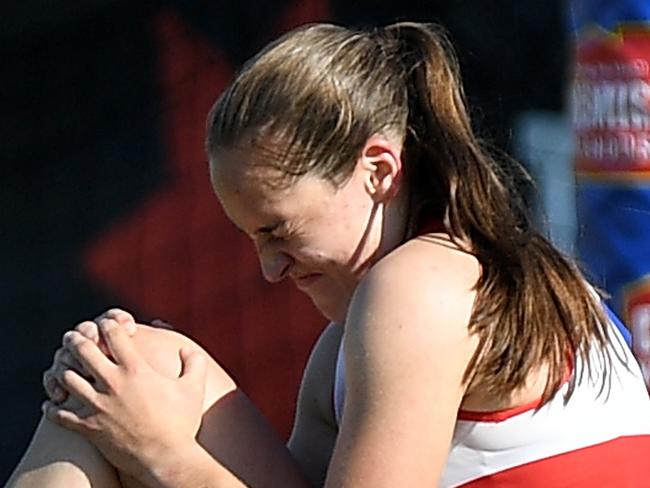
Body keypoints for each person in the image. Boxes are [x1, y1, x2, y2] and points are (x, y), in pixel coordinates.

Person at [7, 21, 650, 488]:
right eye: (252, 237)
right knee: (118, 370)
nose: (268, 269)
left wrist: (161, 452)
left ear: (378, 170)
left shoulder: (422, 286)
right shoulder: (344, 354)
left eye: (279, 230)